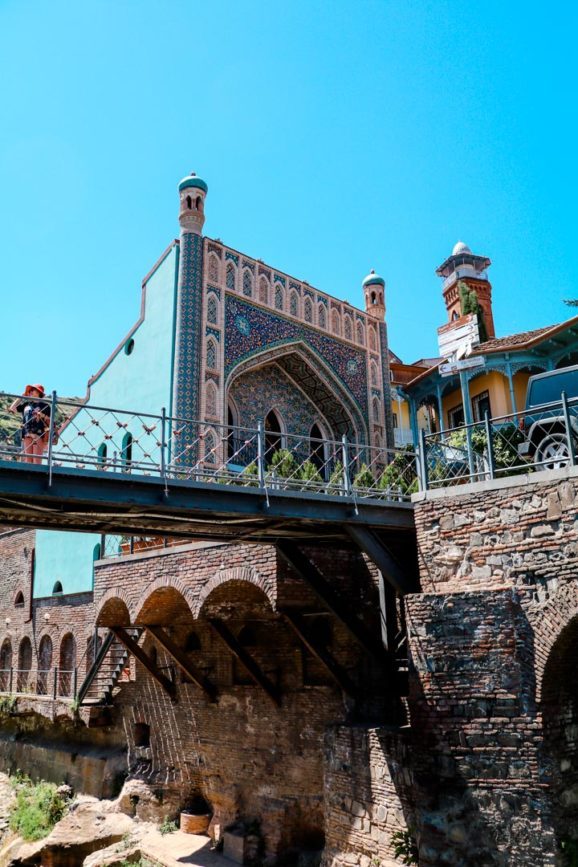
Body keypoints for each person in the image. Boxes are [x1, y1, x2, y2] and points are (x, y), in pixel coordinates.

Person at [9, 385, 52, 465]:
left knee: (37, 462)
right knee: (28, 462)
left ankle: (37, 477)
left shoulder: (46, 406)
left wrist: (41, 415)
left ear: (39, 392)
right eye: (30, 390)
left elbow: (50, 421)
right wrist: (21, 397)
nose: (31, 392)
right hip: (27, 434)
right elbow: (12, 408)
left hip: (39, 434)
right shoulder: (26, 404)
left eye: (33, 390)